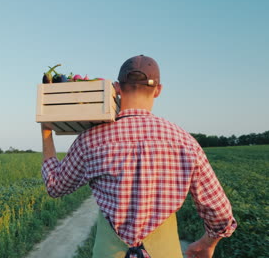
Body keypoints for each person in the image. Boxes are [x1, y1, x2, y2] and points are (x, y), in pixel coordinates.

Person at [40, 55, 237, 258]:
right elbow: (220, 212)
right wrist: (207, 243)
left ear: (117, 87)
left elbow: (55, 186)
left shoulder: (91, 139)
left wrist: (46, 134)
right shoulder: (184, 141)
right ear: (158, 90)